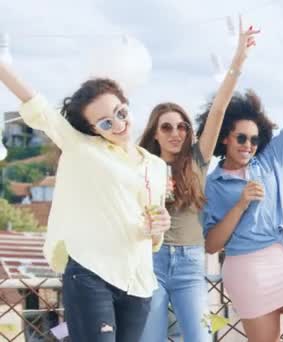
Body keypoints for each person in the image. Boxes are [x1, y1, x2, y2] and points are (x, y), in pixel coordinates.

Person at [0, 66, 171, 341]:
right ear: (93, 129)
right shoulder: (84, 149)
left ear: (126, 104)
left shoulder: (157, 166)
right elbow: (37, 105)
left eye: (120, 112)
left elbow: (152, 235)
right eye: (105, 123)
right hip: (92, 273)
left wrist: (160, 226)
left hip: (138, 282)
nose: (118, 124)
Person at [138, 17, 259, 342]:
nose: (176, 133)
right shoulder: (141, 166)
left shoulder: (196, 160)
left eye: (181, 126)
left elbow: (218, 110)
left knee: (200, 338)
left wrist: (238, 58)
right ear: (155, 132)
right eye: (167, 127)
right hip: (151, 262)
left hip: (191, 263)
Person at [201, 54, 283, 342]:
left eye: (253, 139)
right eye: (241, 138)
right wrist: (240, 204)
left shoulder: (271, 160)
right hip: (248, 269)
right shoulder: (213, 184)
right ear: (225, 137)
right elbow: (211, 245)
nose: (248, 145)